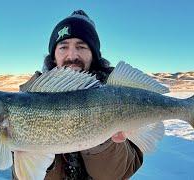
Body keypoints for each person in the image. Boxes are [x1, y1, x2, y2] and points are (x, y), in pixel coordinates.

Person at [13, 10, 143, 180]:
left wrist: (102, 137)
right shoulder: (27, 100)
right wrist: (41, 158)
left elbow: (118, 174)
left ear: (93, 55)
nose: (72, 55)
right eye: (63, 47)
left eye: (81, 46)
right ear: (53, 57)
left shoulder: (122, 95)